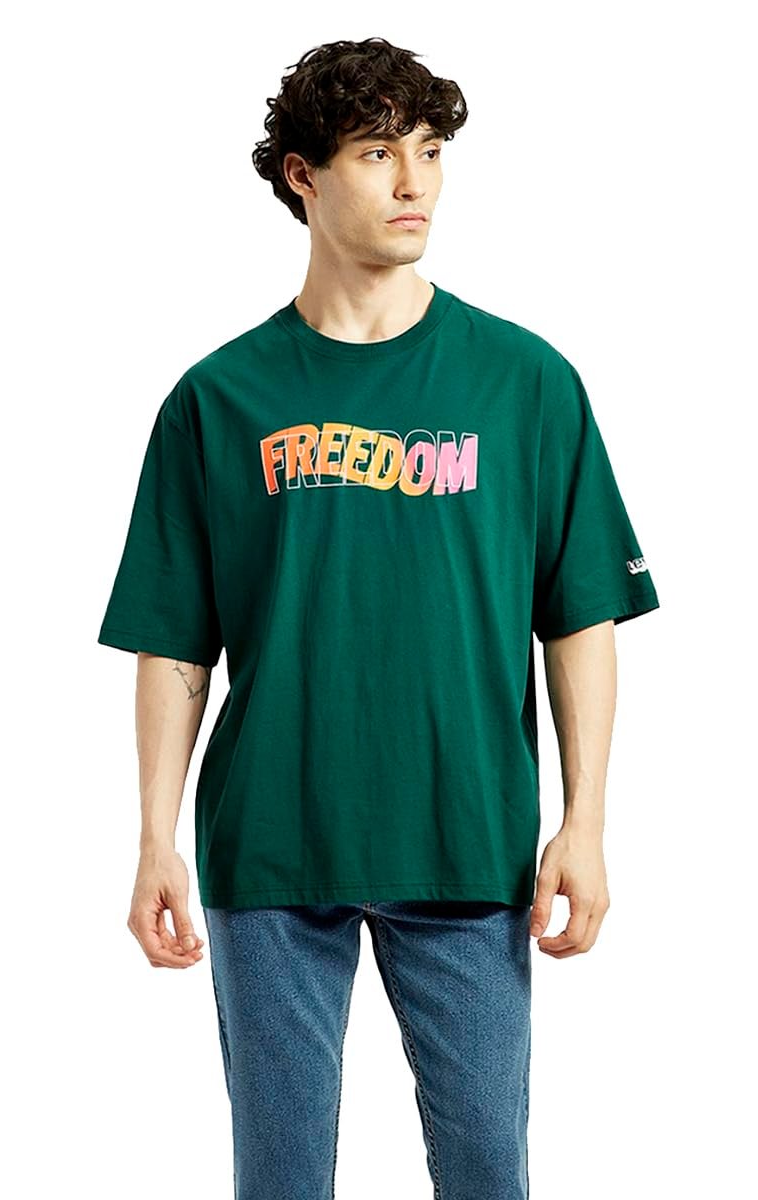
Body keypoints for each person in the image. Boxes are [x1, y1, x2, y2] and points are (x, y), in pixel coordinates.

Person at [96, 35, 660, 1200]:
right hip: (272, 843)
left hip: (468, 839)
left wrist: (586, 819)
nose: (415, 182)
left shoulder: (525, 382)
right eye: (376, 152)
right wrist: (155, 835)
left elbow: (579, 619)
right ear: (302, 175)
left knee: (488, 1168)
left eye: (431, 151)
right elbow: (174, 642)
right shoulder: (218, 398)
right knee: (280, 1178)